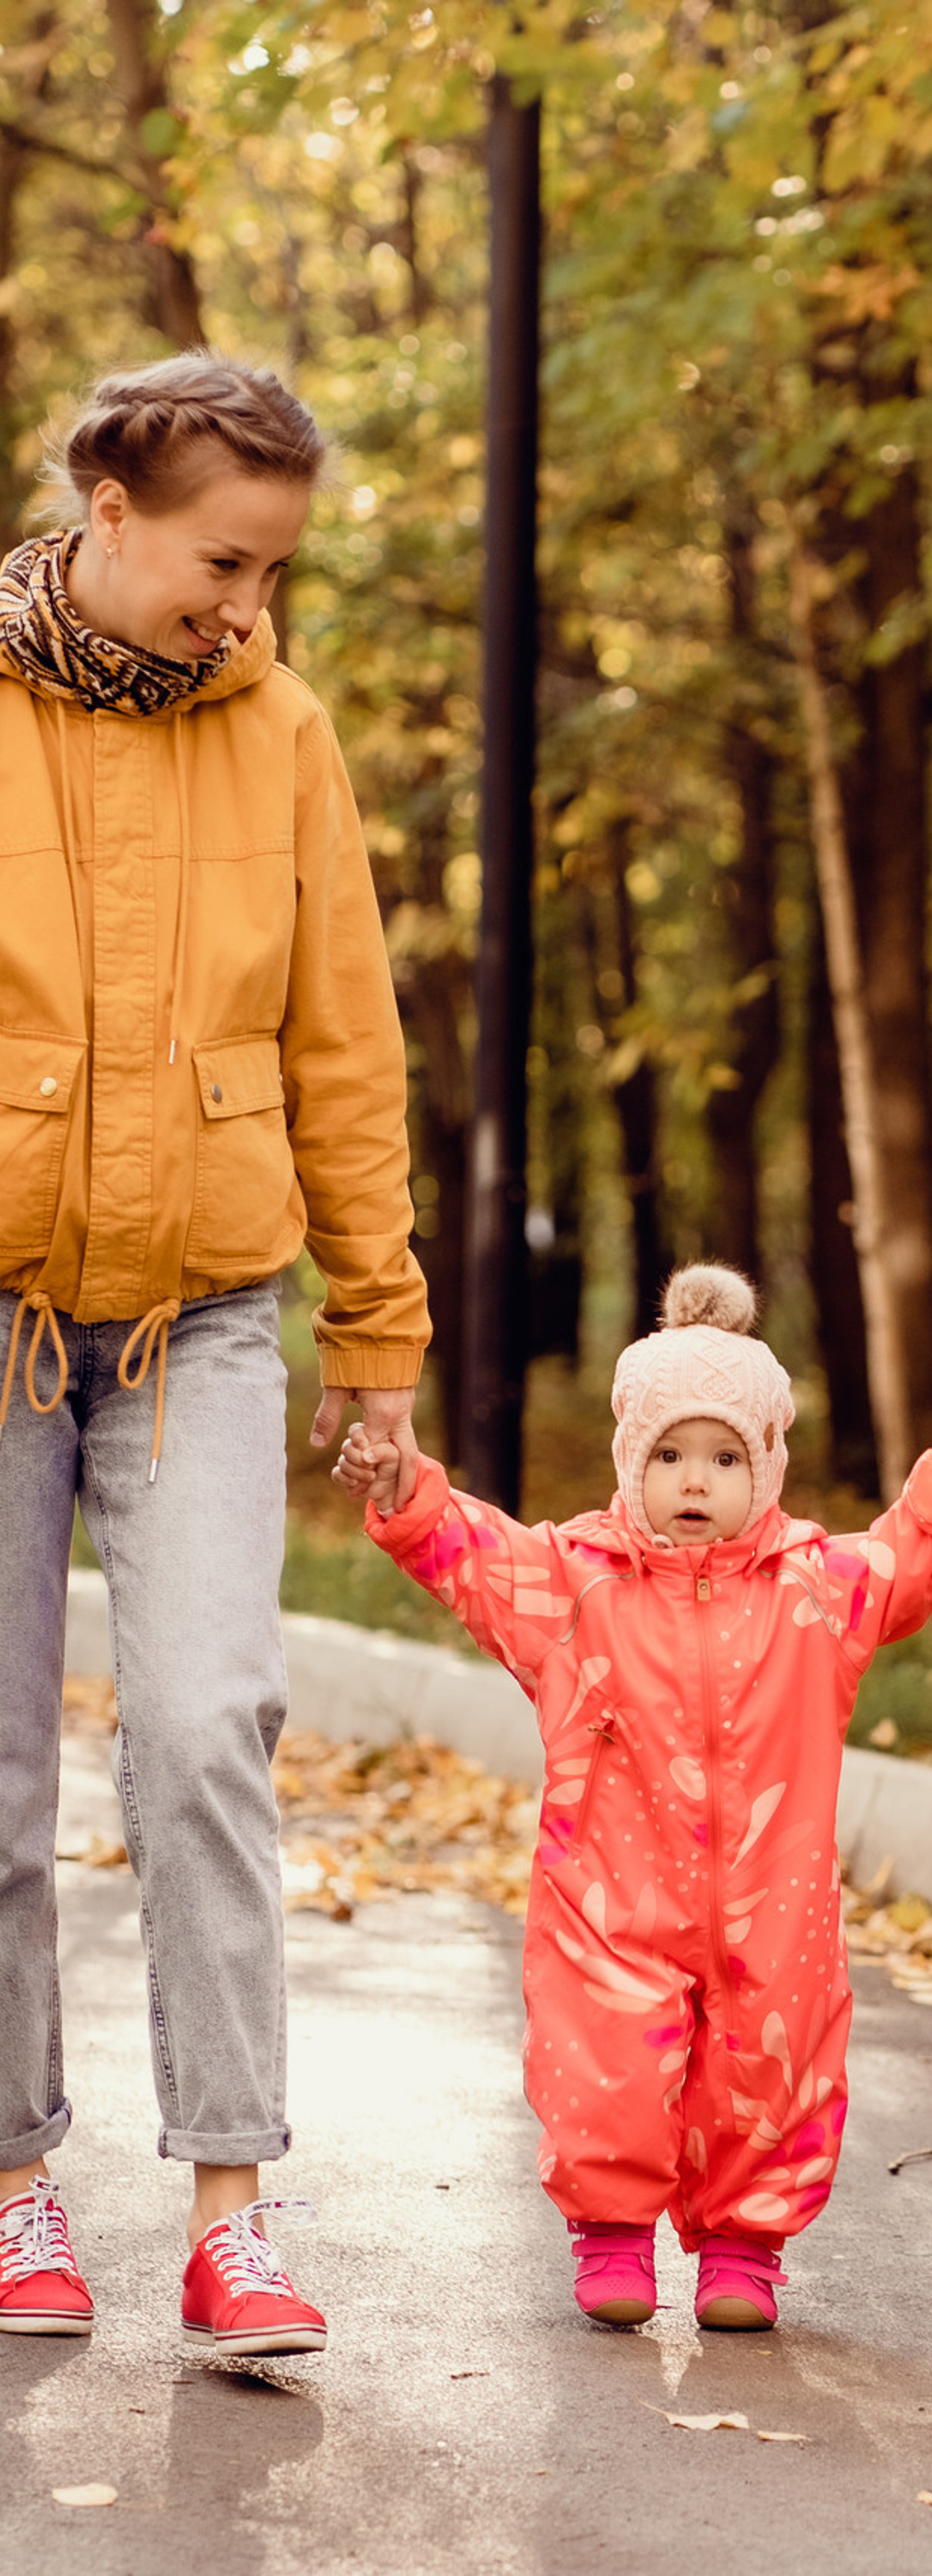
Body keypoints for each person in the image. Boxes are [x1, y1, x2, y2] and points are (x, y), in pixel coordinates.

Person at [0, 356, 429, 2355]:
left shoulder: (282, 730)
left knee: (202, 1732)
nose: (244, 606)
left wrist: (380, 1322)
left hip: (210, 1315)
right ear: (109, 507)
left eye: (271, 573)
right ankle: (13, 2190)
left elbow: (346, 1042)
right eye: (220, 563)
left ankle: (232, 2212)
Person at [336, 1263, 932, 2331]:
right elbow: (476, 1557)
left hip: (772, 1902)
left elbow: (904, 1560)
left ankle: (744, 2249)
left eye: (724, 1458)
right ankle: (610, 2232)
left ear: (768, 1465)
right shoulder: (577, 1585)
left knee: (770, 2068)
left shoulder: (814, 1592)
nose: (695, 1481)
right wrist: (403, 1491)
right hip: (609, 1896)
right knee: (603, 2061)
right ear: (630, 1461)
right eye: (669, 1455)